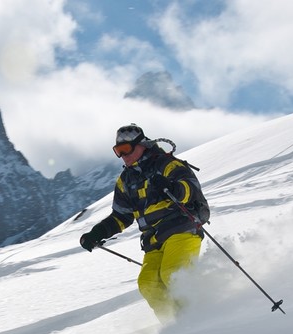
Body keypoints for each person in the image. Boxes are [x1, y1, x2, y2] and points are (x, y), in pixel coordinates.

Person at [80, 123, 206, 322]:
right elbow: (122, 216)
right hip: (152, 239)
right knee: (147, 283)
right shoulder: (125, 180)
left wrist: (173, 188)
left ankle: (195, 320)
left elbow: (190, 189)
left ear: (142, 145)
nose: (123, 156)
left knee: (173, 275)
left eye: (126, 149)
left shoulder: (166, 164)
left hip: (182, 228)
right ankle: (173, 324)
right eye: (118, 151)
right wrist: (97, 233)